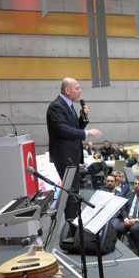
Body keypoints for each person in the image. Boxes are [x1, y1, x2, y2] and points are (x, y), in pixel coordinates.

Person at [46, 77, 102, 219]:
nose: (80, 91)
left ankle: (75, 222)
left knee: (74, 191)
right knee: (71, 191)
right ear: (67, 90)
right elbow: (63, 130)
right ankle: (72, 224)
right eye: (77, 88)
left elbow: (72, 128)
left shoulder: (69, 106)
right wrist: (87, 133)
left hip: (71, 155)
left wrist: (82, 119)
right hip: (65, 156)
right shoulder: (56, 107)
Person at [114, 178, 139, 259]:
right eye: (135, 184)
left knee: (134, 229)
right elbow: (123, 209)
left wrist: (136, 220)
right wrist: (125, 219)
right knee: (117, 228)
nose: (136, 186)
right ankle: (116, 250)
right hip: (128, 220)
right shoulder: (129, 195)